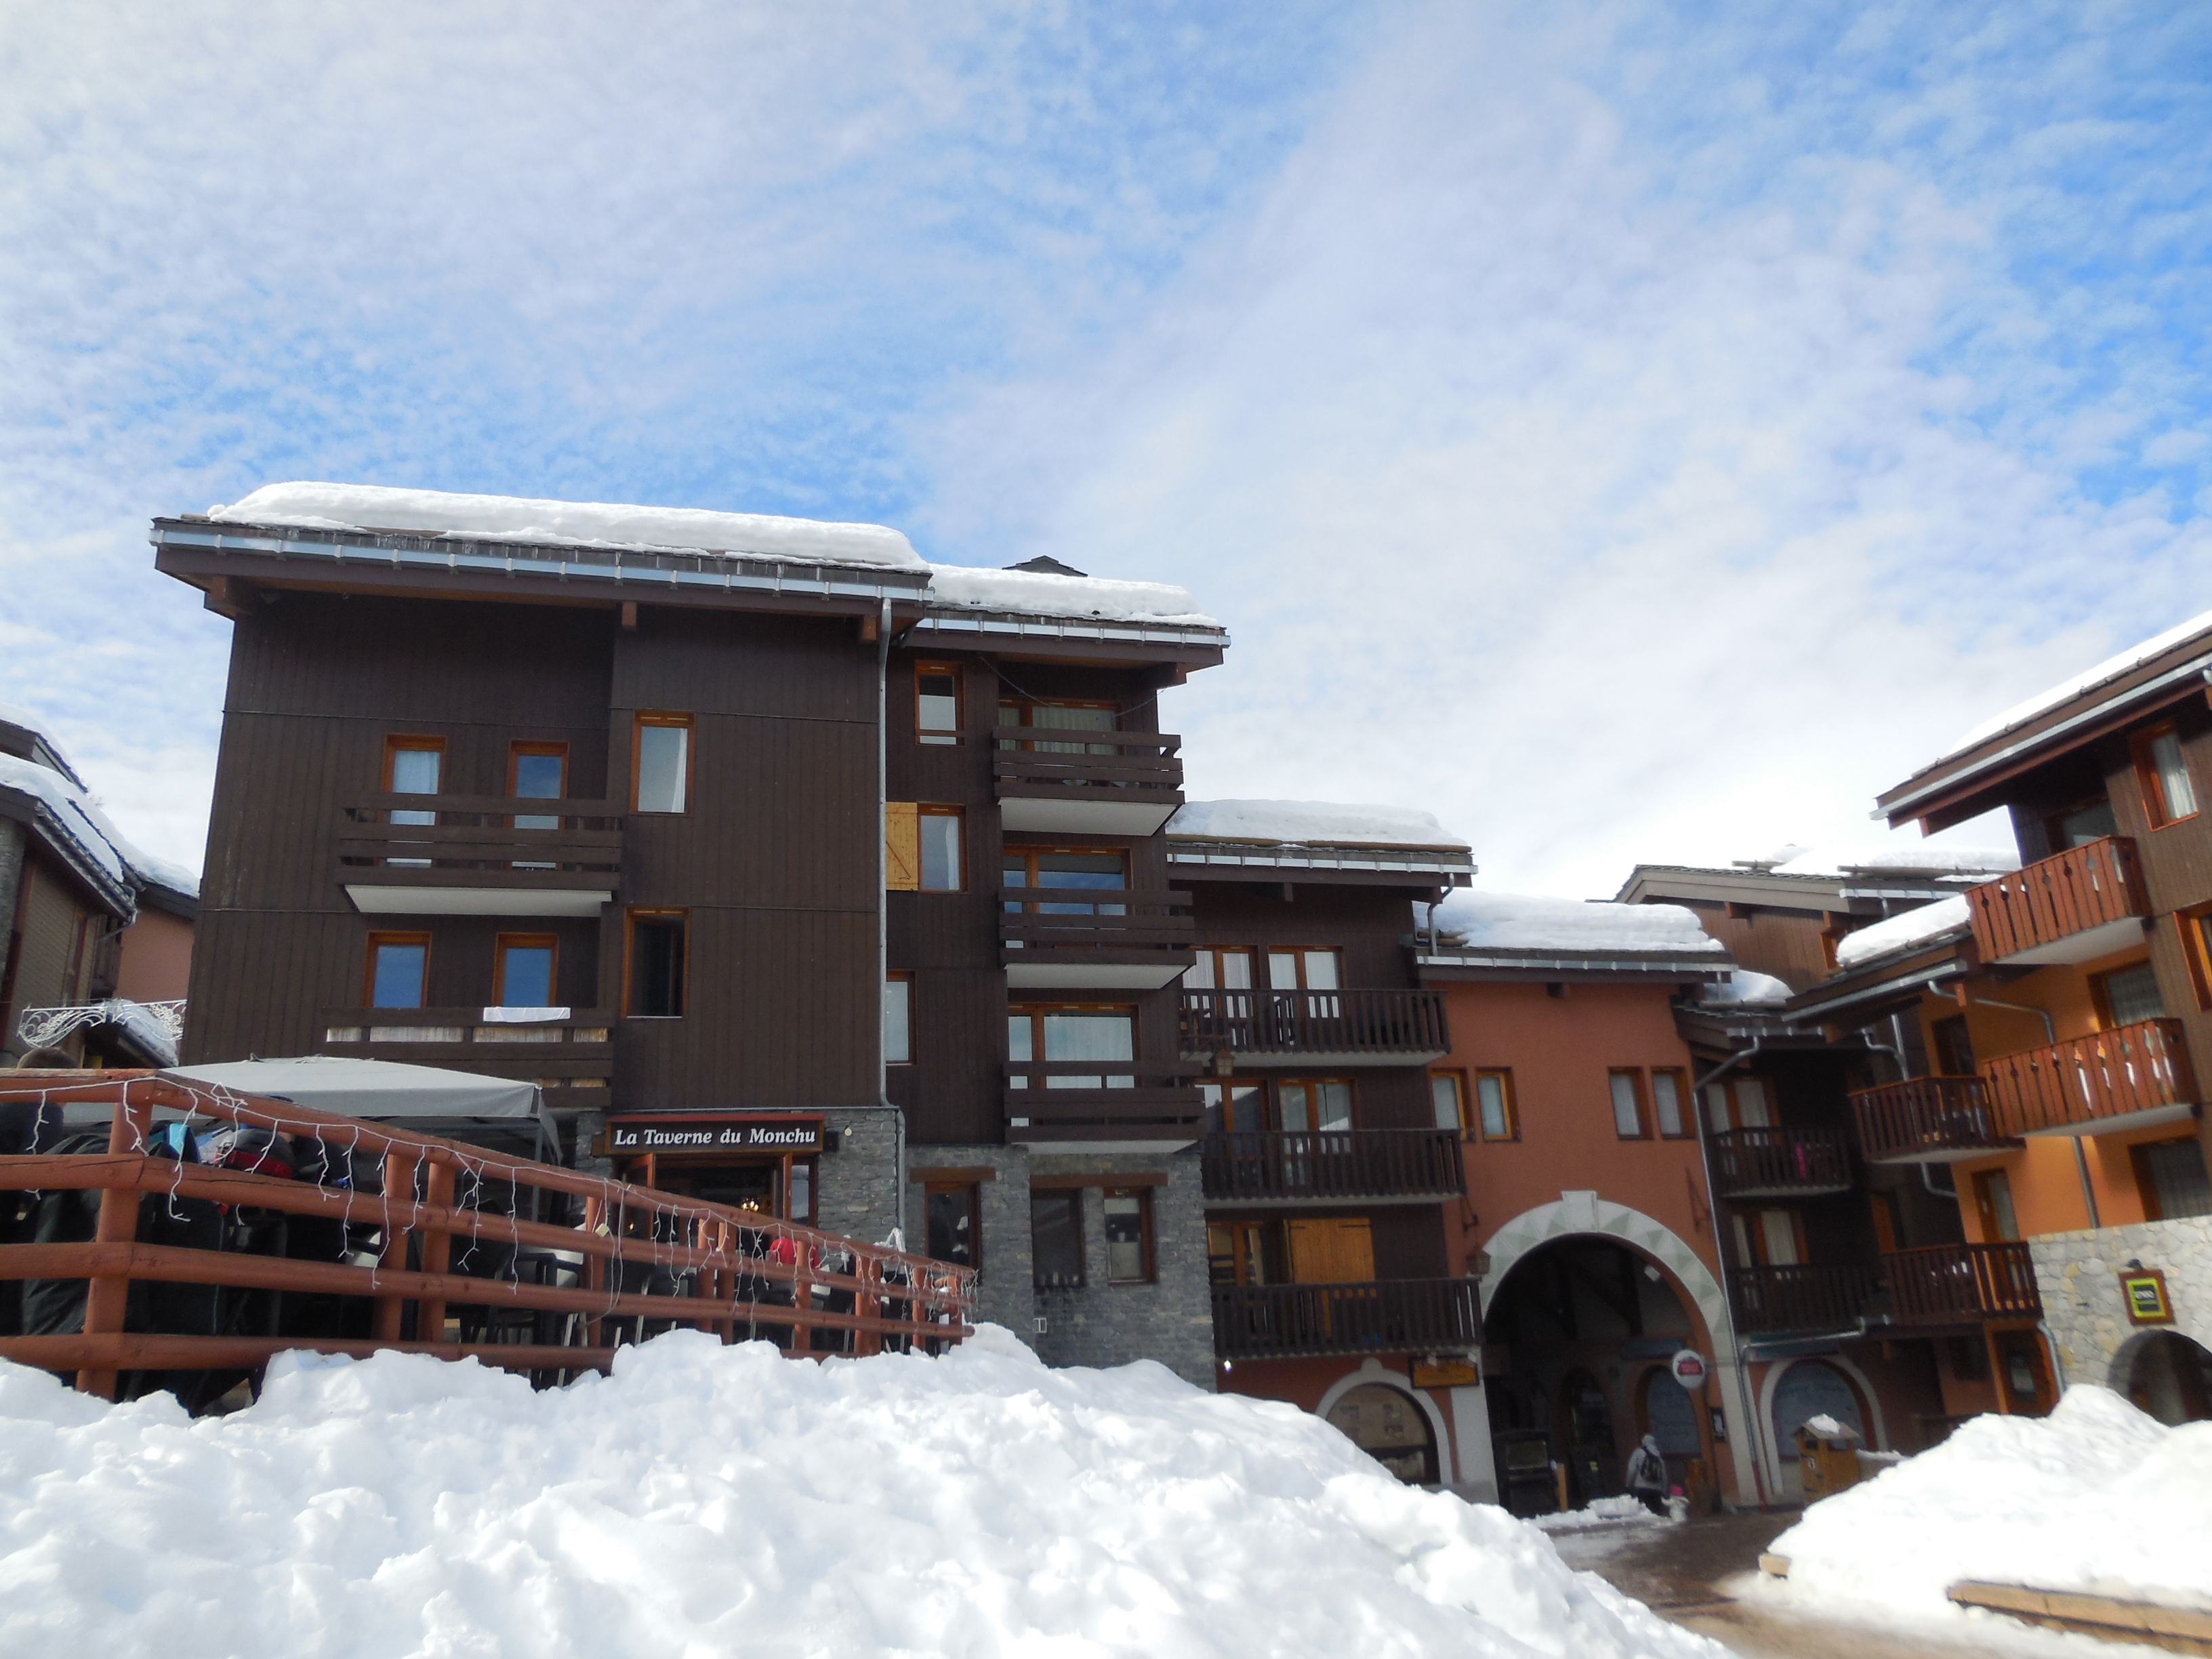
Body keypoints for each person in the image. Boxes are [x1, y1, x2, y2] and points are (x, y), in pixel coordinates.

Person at [1625, 1432, 1668, 1517]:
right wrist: (1664, 1491)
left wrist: (1628, 1484)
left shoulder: (1638, 1453)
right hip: (1656, 1491)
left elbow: (1632, 1470)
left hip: (1641, 1488)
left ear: (1643, 1442)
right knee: (1656, 1516)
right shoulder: (1659, 1458)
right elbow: (1664, 1476)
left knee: (1643, 1515)